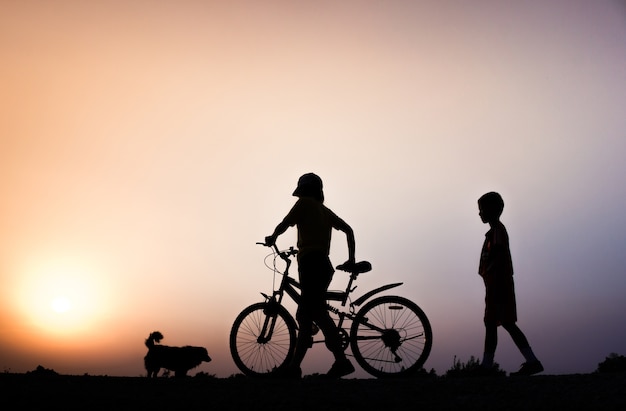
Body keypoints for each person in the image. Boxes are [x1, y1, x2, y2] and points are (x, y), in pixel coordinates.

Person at [265, 173, 356, 379]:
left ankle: (341, 361)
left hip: (311, 263)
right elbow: (349, 230)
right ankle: (294, 368)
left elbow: (285, 222)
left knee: (316, 313)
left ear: (304, 190)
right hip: (323, 265)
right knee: (306, 315)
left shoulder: (303, 204)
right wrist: (351, 258)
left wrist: (273, 237)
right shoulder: (324, 210)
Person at [477, 191, 544, 376]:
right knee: (503, 323)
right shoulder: (494, 232)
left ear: (492, 210)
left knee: (495, 323)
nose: (480, 213)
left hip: (499, 284)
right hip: (496, 284)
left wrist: (491, 274)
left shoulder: (497, 231)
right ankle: (530, 361)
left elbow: (498, 256)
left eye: (482, 209)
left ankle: (487, 366)